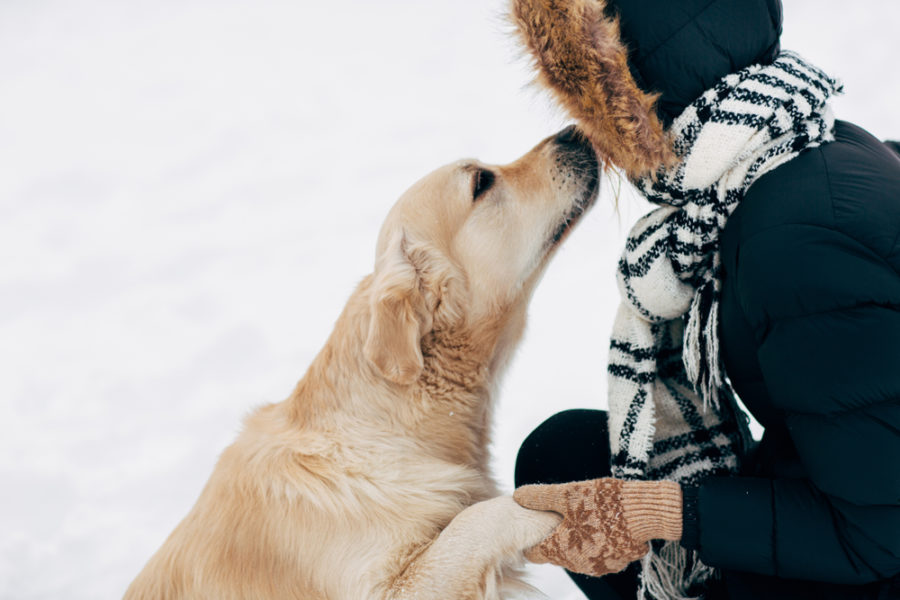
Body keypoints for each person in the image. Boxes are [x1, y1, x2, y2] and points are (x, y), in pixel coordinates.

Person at [509, 1, 900, 599]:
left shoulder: (790, 245)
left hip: (876, 544)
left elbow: (876, 533)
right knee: (563, 455)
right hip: (862, 481)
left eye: (590, 104)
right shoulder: (807, 144)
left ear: (632, 101)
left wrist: (664, 513)